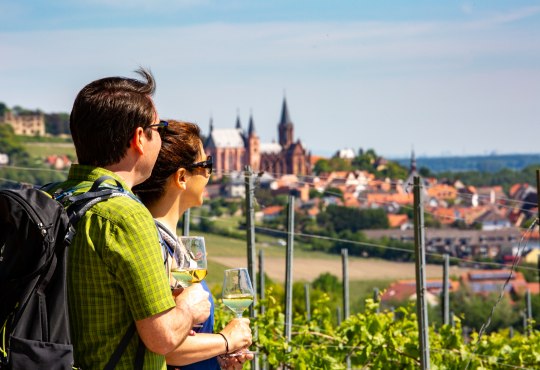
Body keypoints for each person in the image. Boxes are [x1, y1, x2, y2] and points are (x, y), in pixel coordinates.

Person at [54, 69, 211, 370]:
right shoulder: (126, 216)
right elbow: (162, 338)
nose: (159, 137)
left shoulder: (54, 198)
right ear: (139, 138)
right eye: (157, 128)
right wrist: (189, 309)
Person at [133, 120, 254, 369]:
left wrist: (215, 357)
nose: (210, 174)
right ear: (181, 177)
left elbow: (183, 338)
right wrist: (226, 340)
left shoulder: (173, 245)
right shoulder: (154, 246)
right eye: (206, 165)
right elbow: (166, 347)